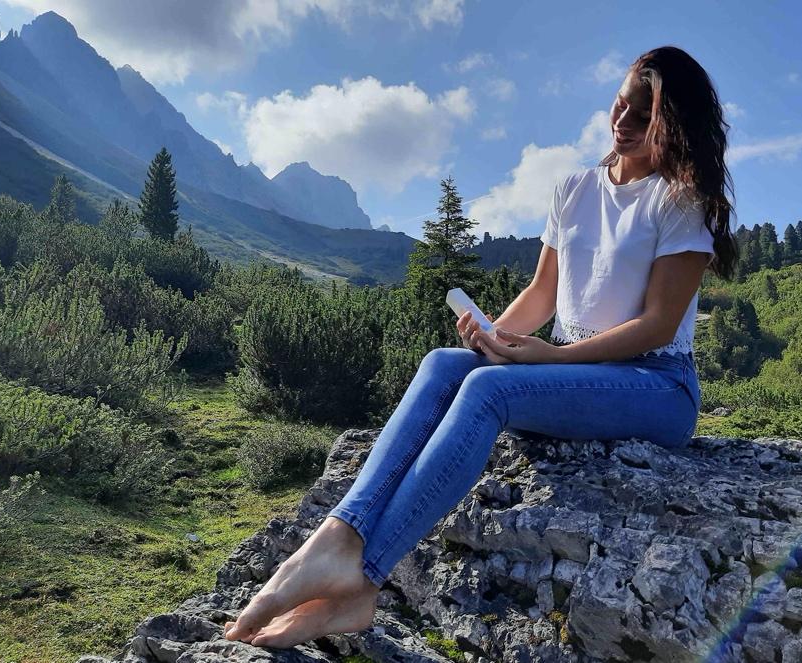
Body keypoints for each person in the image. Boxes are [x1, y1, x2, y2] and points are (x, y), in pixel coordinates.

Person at [223, 44, 739, 649]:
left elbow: (657, 324)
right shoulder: (575, 189)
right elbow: (544, 293)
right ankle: (342, 533)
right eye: (620, 106)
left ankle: (363, 574)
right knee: (447, 363)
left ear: (673, 127)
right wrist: (495, 336)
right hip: (580, 373)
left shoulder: (680, 202)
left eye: (643, 117)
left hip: (656, 385)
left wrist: (554, 357)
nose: (623, 124)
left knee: (490, 389)